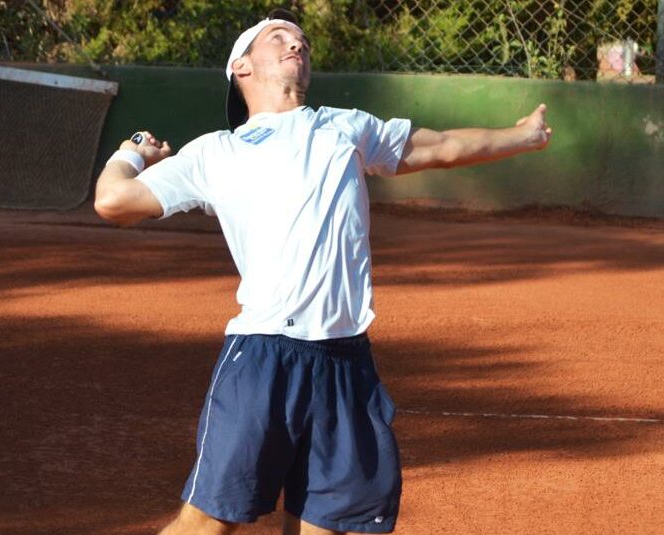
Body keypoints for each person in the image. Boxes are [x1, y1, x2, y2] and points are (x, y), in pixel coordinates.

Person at [93, 9, 551, 535]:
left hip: (346, 360)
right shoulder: (216, 152)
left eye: (302, 39)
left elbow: (440, 146)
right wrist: (132, 151)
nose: (297, 44)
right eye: (279, 37)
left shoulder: (346, 126)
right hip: (264, 356)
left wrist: (521, 137)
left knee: (327, 528)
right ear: (240, 66)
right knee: (206, 526)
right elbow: (113, 201)